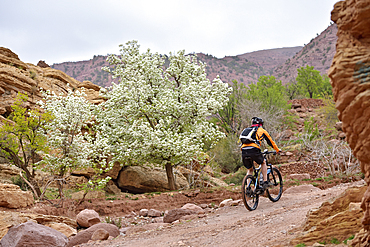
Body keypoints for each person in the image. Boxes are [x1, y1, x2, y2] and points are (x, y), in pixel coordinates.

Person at [240, 117, 280, 190]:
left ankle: (248, 188)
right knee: (263, 162)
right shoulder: (261, 130)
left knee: (250, 169)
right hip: (254, 149)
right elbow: (270, 141)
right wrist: (277, 150)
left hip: (244, 150)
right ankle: (265, 182)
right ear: (261, 124)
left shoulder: (246, 130)